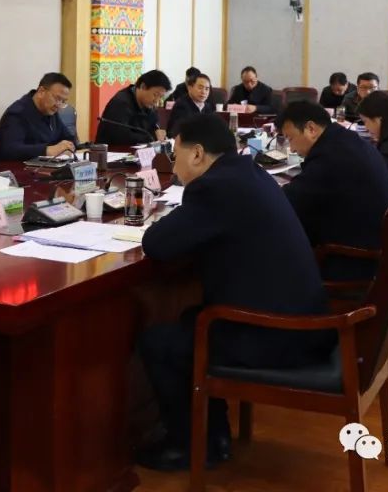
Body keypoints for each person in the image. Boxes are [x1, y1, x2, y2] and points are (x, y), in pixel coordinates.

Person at [136, 114, 334, 471]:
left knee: (162, 342)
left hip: (276, 335)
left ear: (198, 154)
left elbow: (158, 243)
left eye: (176, 155)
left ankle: (190, 446)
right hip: (303, 321)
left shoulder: (215, 188)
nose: (173, 166)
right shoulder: (248, 173)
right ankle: (214, 437)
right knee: (191, 321)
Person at [278, 102, 388, 280]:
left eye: (290, 138)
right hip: (375, 248)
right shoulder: (346, 141)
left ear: (311, 128)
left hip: (352, 261)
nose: (292, 148)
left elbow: (286, 203)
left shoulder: (331, 158)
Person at [0, 73, 77, 161]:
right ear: (41, 92)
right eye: (57, 98)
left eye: (63, 101)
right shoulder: (17, 113)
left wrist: (68, 146)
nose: (59, 105)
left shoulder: (51, 111)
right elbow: (10, 149)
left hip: (41, 166)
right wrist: (47, 150)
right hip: (9, 167)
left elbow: (68, 138)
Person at [95, 70, 171, 145]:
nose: (157, 101)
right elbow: (121, 136)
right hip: (111, 151)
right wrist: (152, 137)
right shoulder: (121, 103)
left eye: (161, 97)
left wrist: (159, 133)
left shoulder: (149, 106)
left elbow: (154, 127)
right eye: (155, 95)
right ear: (143, 86)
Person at [166, 72, 216, 138]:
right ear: (190, 88)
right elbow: (179, 132)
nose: (203, 92)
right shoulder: (181, 105)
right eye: (200, 88)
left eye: (207, 89)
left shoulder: (208, 107)